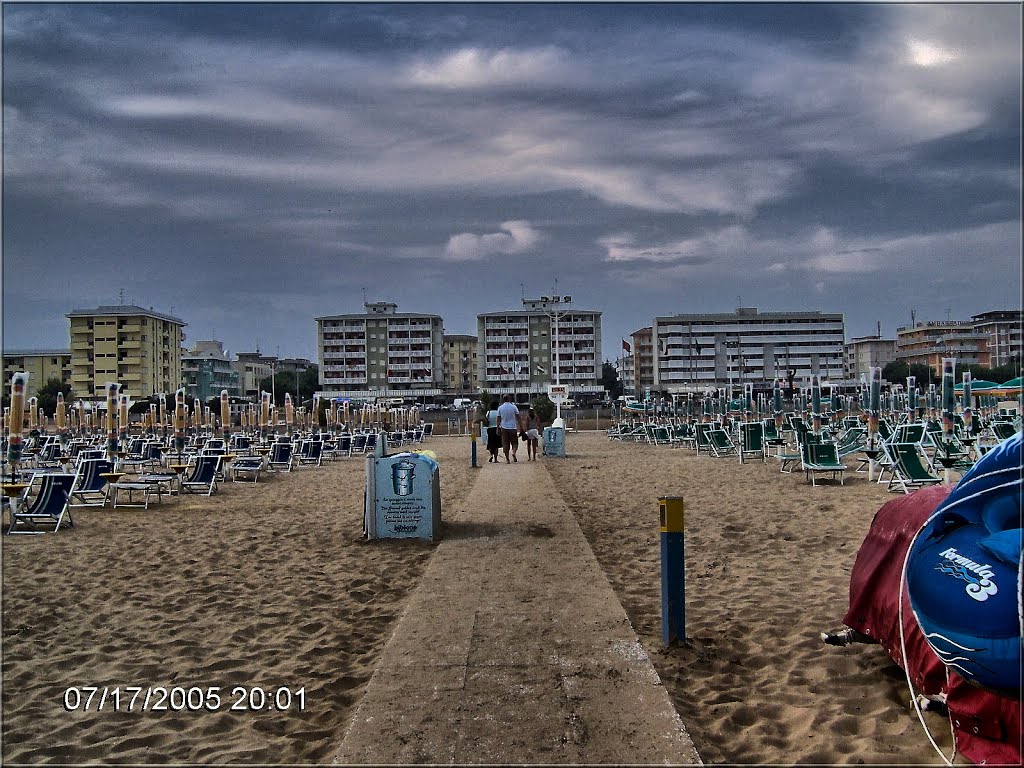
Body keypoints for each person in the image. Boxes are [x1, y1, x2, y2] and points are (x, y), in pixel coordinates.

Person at [497, 394, 520, 463]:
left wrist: (498, 428)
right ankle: (513, 452)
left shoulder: (500, 408)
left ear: (503, 399)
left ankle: (507, 459)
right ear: (509, 398)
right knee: (515, 442)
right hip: (513, 427)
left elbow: (498, 419)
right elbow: (518, 417)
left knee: (505, 443)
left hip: (504, 427)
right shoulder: (514, 407)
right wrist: (521, 427)